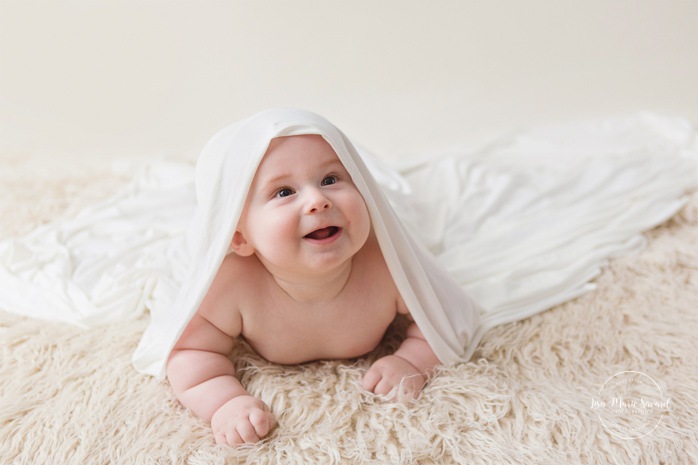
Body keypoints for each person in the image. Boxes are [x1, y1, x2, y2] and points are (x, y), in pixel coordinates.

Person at [166, 133, 443, 447]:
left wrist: (412, 361)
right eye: (284, 191)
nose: (317, 200)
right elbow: (191, 353)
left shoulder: (387, 265)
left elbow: (442, 315)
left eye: (330, 179)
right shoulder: (232, 287)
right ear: (241, 238)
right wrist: (223, 403)